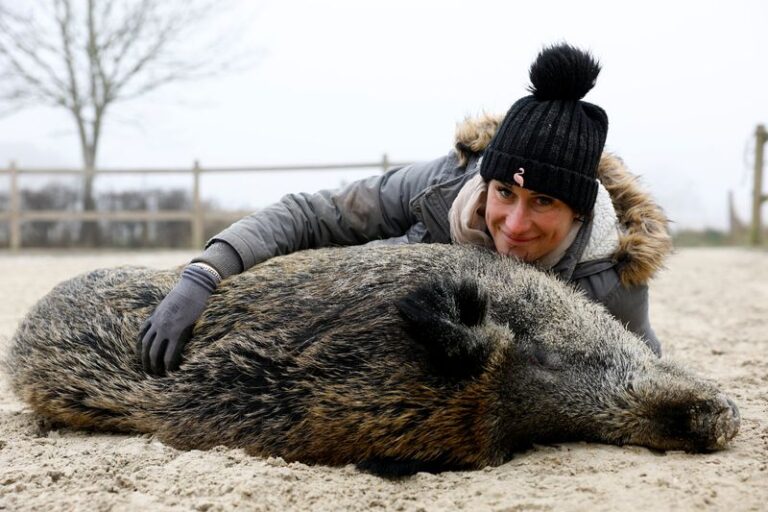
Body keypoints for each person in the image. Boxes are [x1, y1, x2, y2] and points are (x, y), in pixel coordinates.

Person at [139, 43, 672, 376]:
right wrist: (205, 273)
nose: (513, 224)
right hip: (329, 302)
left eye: (543, 203)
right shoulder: (440, 188)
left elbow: (643, 368)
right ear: (485, 182)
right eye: (504, 193)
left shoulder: (609, 279)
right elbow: (311, 214)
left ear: (579, 214)